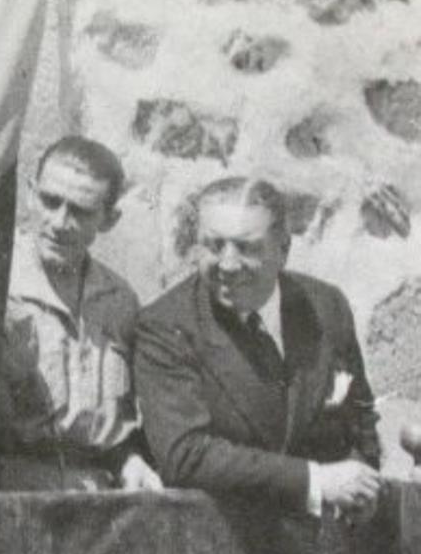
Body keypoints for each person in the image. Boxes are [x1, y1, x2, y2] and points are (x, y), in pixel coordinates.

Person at [135, 176, 381, 514]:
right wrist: (315, 481)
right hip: (222, 539)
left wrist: (360, 478)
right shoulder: (166, 325)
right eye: (214, 245)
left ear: (283, 250)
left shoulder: (325, 306)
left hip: (324, 541)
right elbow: (185, 454)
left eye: (247, 247)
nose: (228, 264)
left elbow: (360, 416)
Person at [0, 136, 162, 491]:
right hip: (9, 490)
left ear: (109, 219)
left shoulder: (118, 300)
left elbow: (121, 421)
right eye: (50, 202)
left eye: (80, 211)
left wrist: (130, 461)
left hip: (96, 494)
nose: (59, 222)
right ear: (29, 193)